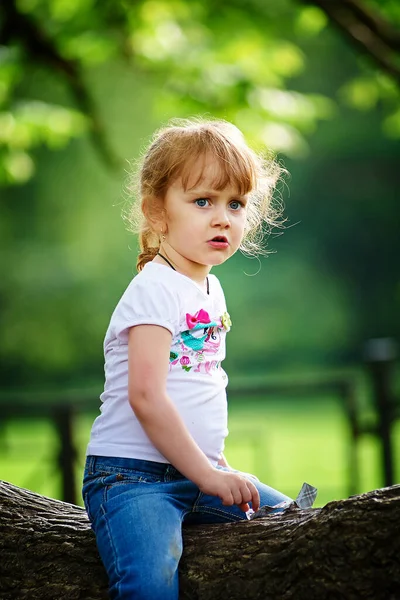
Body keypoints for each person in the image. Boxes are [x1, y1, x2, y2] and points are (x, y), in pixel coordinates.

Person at [82, 117, 291, 599]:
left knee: (291, 522)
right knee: (149, 584)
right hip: (134, 479)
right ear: (157, 213)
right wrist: (209, 475)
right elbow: (147, 398)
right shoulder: (154, 289)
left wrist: (215, 466)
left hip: (196, 470)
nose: (223, 217)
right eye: (203, 201)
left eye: (235, 204)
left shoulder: (209, 287)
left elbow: (196, 386)